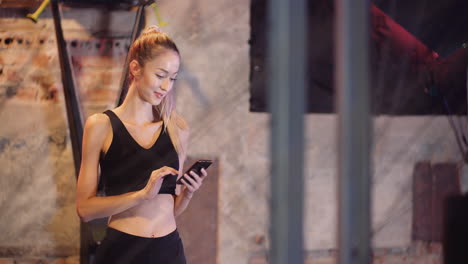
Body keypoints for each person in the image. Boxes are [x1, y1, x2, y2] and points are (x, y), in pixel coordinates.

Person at [75, 25, 208, 263]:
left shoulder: (178, 129)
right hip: (122, 252)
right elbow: (84, 210)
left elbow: (171, 209)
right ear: (136, 68)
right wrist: (142, 195)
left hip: (168, 251)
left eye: (173, 78)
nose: (166, 87)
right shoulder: (101, 125)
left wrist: (187, 194)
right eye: (160, 75)